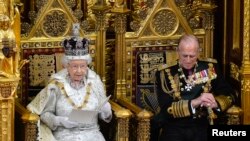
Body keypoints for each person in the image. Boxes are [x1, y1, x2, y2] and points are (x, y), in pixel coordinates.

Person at [27, 23, 112, 141]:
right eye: (74, 66)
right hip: (65, 135)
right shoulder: (56, 84)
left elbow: (105, 116)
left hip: (92, 135)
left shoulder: (95, 83)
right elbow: (45, 115)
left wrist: (106, 110)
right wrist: (60, 121)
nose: (79, 71)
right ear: (66, 66)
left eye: (83, 66)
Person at [152, 34, 235, 141]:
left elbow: (230, 94)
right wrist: (196, 102)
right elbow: (166, 107)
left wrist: (216, 104)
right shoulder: (165, 73)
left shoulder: (210, 68)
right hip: (175, 126)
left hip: (203, 123)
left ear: (198, 52)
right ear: (178, 51)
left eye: (192, 56)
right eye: (184, 55)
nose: (188, 60)